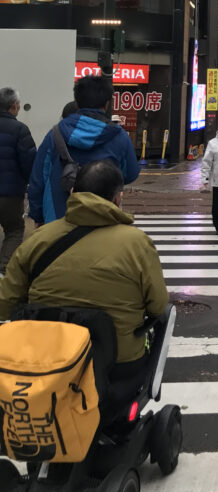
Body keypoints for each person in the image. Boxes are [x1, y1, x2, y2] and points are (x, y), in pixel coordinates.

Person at [0, 160, 169, 386]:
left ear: (72, 192)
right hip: (116, 366)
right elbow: (157, 306)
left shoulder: (38, 239)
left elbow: (5, 304)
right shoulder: (137, 243)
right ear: (118, 198)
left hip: (46, 361)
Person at [28, 75, 140, 225]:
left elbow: (38, 180)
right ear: (107, 104)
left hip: (58, 221)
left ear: (76, 102)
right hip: (103, 220)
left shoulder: (55, 134)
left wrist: (38, 216)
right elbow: (130, 174)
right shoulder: (119, 136)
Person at [0, 87, 36, 274]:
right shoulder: (20, 129)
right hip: (10, 194)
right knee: (14, 230)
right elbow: (29, 161)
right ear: (14, 106)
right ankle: (3, 270)